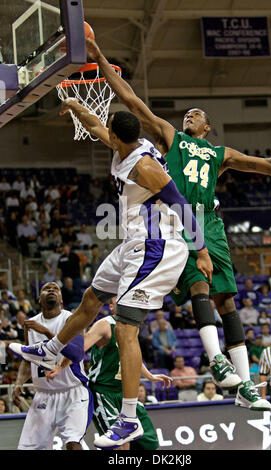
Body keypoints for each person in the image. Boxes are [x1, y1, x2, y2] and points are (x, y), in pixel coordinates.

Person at [85, 38, 271, 410]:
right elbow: (134, 102)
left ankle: (245, 386)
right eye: (188, 113)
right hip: (180, 220)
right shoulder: (172, 138)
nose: (190, 115)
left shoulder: (220, 154)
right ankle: (216, 361)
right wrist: (101, 59)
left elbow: (270, 167)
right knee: (199, 284)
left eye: (197, 114)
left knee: (227, 301)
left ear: (209, 127)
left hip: (211, 224)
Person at [9, 105, 218, 449]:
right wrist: (75, 104)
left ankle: (129, 418)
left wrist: (203, 252)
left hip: (158, 246)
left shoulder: (145, 166)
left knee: (124, 327)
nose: (104, 132)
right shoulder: (122, 144)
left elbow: (180, 203)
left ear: (117, 136)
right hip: (133, 242)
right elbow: (94, 124)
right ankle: (50, 349)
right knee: (91, 298)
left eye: (109, 130)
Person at [46, 297, 168, 450]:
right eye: (119, 299)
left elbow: (132, 356)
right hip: (104, 393)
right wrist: (59, 367)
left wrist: (149, 375)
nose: (124, 300)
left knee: (150, 444)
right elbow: (79, 349)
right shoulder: (104, 325)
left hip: (125, 394)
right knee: (121, 446)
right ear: (112, 307)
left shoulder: (131, 326)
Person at [10, 282, 92, 450]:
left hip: (72, 391)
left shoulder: (71, 318)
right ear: (39, 299)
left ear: (61, 298)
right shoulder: (31, 324)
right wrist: (19, 383)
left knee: (73, 443)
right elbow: (28, 360)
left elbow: (77, 353)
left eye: (56, 288)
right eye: (46, 289)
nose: (51, 290)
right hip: (44, 394)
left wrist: (47, 332)